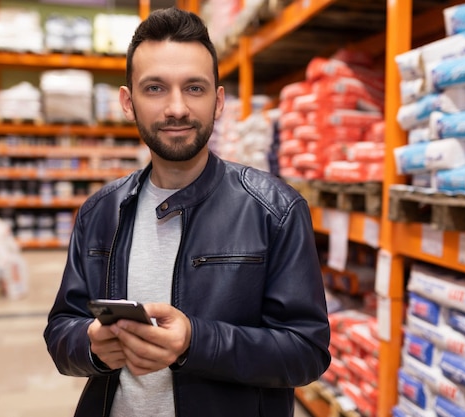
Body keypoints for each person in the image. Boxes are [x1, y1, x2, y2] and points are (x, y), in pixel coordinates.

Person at [43, 7, 331, 417]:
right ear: (128, 102)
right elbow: (60, 331)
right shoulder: (99, 212)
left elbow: (306, 352)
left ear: (218, 101)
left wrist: (196, 342)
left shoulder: (275, 210)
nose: (176, 108)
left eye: (194, 88)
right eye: (155, 88)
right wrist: (89, 343)